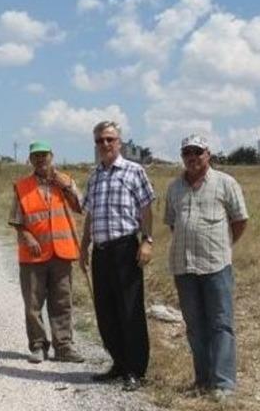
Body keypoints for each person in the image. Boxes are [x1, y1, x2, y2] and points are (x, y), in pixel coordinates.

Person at [164, 135, 248, 402]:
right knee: (194, 326)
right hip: (183, 266)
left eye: (197, 152)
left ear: (208, 155)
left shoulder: (225, 183)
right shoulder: (174, 187)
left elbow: (239, 220)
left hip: (216, 265)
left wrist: (222, 245)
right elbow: (173, 224)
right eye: (187, 152)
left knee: (221, 325)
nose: (192, 157)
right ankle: (202, 380)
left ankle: (224, 383)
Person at [80, 121, 155, 392]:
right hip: (101, 252)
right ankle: (119, 364)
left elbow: (146, 208)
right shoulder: (94, 175)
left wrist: (147, 240)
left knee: (129, 310)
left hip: (125, 249)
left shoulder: (134, 171)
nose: (105, 145)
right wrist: (84, 245)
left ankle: (136, 370)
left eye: (110, 139)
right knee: (106, 312)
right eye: (100, 140)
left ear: (119, 142)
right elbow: (89, 213)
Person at [8, 140, 86, 364]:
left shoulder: (65, 181)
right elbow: (16, 220)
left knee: (62, 302)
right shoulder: (22, 186)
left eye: (44, 155)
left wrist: (67, 187)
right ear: (30, 160)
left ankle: (63, 346)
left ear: (52, 156)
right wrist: (27, 236)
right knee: (33, 304)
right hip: (33, 255)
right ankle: (38, 346)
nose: (41, 159)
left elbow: (81, 207)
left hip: (62, 252)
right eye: (36, 156)